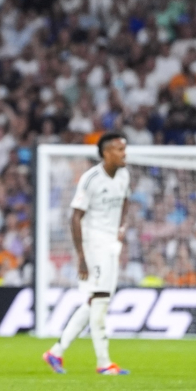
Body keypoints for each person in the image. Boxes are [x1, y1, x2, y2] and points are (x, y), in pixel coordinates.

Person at [43, 132, 130, 375]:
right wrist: (81, 256)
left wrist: (121, 228)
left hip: (111, 244)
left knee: (96, 301)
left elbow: (126, 202)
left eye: (125, 149)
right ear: (106, 152)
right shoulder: (91, 179)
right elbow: (75, 216)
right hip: (94, 244)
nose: (124, 153)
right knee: (100, 301)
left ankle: (55, 352)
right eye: (119, 149)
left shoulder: (124, 175)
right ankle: (104, 363)